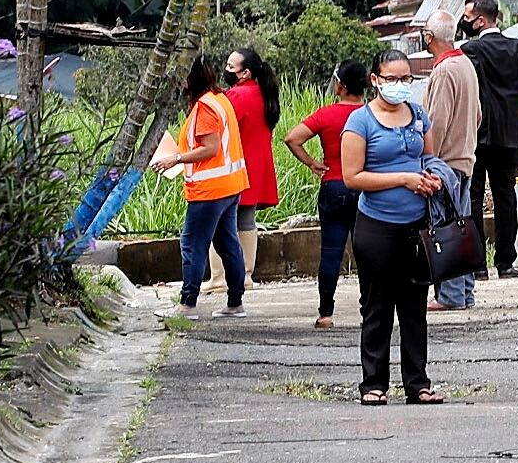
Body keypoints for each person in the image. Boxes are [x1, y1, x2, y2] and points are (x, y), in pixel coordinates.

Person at [341, 51, 443, 405]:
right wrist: (403, 179)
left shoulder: (418, 115)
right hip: (376, 226)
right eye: (391, 79)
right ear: (375, 80)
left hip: (417, 225)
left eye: (406, 79)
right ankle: (373, 383)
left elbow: (429, 157)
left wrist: (432, 178)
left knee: (415, 307)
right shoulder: (360, 121)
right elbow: (352, 177)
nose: (399, 86)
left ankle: (418, 383)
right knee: (377, 306)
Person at [457, 0, 518, 281]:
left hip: (478, 135)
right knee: (505, 197)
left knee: (473, 198)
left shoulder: (470, 50)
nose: (464, 22)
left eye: (467, 17)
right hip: (511, 136)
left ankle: (478, 265)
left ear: (480, 20)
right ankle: (505, 263)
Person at [154, 52, 252, 317]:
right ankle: (235, 302)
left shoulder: (204, 107)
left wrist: (175, 159)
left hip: (209, 190)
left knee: (192, 244)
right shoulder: (219, 99)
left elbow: (209, 148)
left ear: (191, 78)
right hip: (230, 186)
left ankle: (188, 304)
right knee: (228, 244)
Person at [284, 58, 367, 329]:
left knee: (331, 253)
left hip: (334, 186)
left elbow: (292, 138)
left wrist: (311, 163)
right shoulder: (371, 114)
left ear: (340, 86)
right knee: (367, 253)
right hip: (367, 187)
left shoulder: (326, 114)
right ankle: (368, 310)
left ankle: (326, 314)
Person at [419, 12, 482, 310]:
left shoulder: (444, 71)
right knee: (461, 225)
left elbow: (437, 122)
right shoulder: (465, 63)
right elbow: (478, 115)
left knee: (446, 229)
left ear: (429, 37)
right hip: (464, 158)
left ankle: (451, 295)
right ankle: (464, 291)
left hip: (445, 163)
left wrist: (428, 161)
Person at [226, 44, 282, 264]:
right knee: (247, 221)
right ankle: (247, 273)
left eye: (231, 66)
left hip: (235, 166)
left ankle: (221, 275)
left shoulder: (235, 96)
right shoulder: (265, 94)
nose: (226, 69)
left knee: (223, 222)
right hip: (258, 166)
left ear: (245, 72)